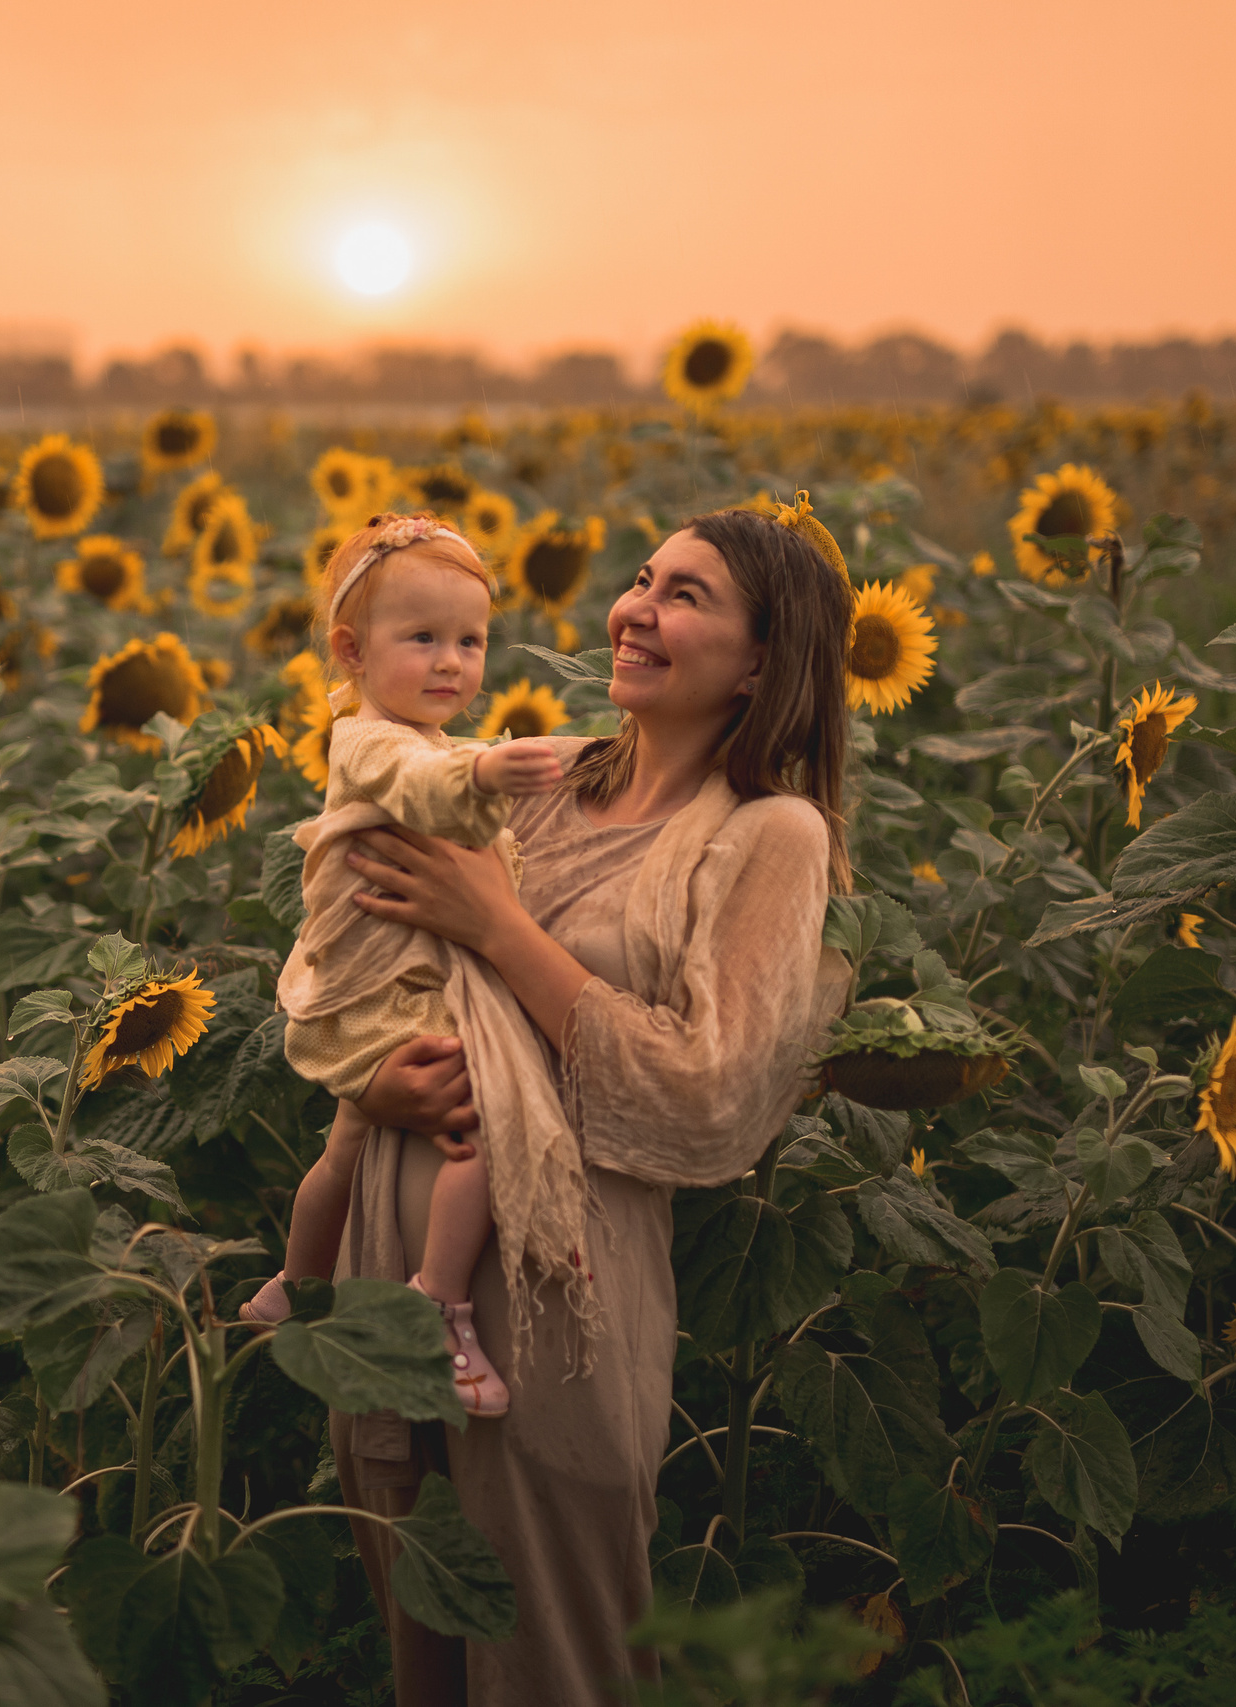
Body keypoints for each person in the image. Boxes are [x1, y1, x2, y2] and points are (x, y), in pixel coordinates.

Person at [326, 505, 857, 1705]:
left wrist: (499, 928)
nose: (635, 610)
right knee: (421, 1645)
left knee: (556, 1654)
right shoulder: (530, 783)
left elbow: (705, 1091)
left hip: (556, 1285)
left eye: (686, 596)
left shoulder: (768, 833)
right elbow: (356, 953)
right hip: (388, 1242)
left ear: (761, 661)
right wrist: (371, 1080)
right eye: (642, 579)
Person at [249, 512, 591, 1421]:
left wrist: (486, 771)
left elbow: (444, 773)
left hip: (378, 986)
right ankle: (439, 1304)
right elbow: (422, 784)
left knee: (343, 1151)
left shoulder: (421, 737)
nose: (452, 663)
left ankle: (294, 1284)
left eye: (471, 642)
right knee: (484, 1119)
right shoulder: (371, 739)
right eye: (424, 639)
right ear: (352, 652)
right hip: (388, 992)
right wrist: (484, 778)